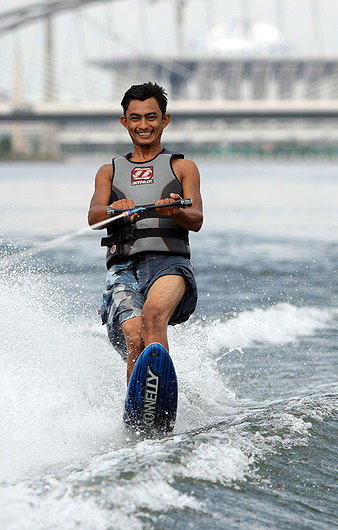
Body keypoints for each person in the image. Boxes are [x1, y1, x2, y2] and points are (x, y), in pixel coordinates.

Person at [88, 82, 203, 381]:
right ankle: (140, 413)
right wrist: (115, 209)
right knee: (135, 337)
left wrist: (176, 211)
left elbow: (197, 218)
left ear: (165, 120)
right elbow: (94, 217)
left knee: (152, 317)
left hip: (169, 265)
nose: (143, 125)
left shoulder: (183, 167)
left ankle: (162, 405)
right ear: (125, 121)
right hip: (123, 268)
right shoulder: (109, 171)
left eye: (151, 117)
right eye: (135, 118)